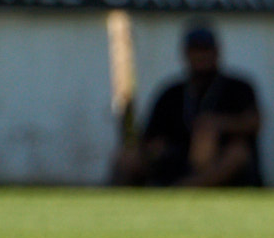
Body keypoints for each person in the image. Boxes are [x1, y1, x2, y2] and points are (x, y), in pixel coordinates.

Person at [112, 22, 264, 187]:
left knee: (236, 153)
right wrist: (154, 148)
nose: (201, 56)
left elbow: (254, 122)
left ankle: (188, 187)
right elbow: (150, 136)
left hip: (221, 161)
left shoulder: (238, 87)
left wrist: (216, 124)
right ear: (185, 53)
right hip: (178, 159)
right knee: (128, 157)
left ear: (217, 52)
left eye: (205, 50)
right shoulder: (172, 93)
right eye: (195, 50)